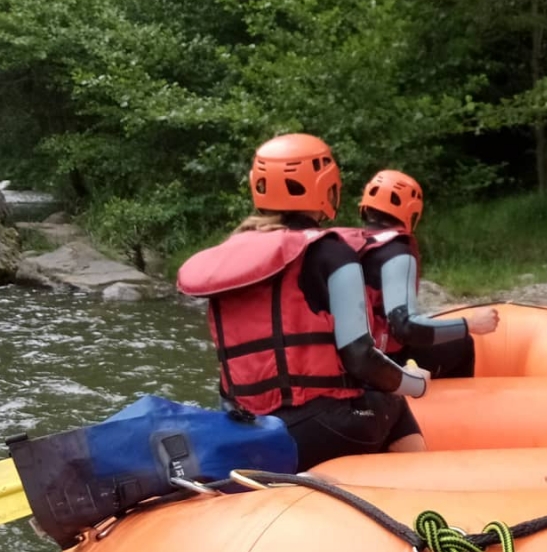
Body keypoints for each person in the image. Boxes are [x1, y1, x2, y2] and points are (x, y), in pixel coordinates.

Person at [177, 134, 431, 470]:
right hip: (319, 426)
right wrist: (415, 384)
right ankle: (419, 497)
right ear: (326, 187)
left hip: (246, 428)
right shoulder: (331, 253)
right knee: (394, 403)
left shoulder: (231, 255)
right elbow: (361, 359)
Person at [341, 169, 499, 378]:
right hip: (380, 362)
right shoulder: (396, 251)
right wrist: (470, 324)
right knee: (462, 344)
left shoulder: (347, 244)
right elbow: (406, 327)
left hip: (346, 358)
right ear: (410, 211)